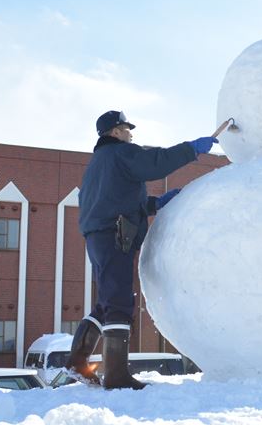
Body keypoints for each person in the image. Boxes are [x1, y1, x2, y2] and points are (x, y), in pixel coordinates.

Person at [66, 110, 218, 390]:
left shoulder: (99, 163)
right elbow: (154, 163)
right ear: (114, 132)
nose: (130, 133)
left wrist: (154, 205)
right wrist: (191, 149)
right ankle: (116, 375)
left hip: (99, 235)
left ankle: (78, 361)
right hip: (114, 234)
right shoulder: (121, 153)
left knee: (107, 301)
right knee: (120, 303)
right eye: (126, 128)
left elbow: (112, 200)